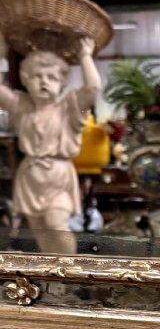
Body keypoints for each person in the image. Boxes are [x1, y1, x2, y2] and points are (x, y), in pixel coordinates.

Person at [0, 31, 100, 254]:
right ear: (26, 80)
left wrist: (85, 56)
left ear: (62, 82)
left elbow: (92, 89)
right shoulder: (21, 106)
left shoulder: (70, 108)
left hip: (57, 175)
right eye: (37, 76)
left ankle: (67, 273)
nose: (44, 81)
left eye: (51, 77)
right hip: (30, 177)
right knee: (40, 231)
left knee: (56, 224)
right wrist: (1, 54)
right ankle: (52, 280)